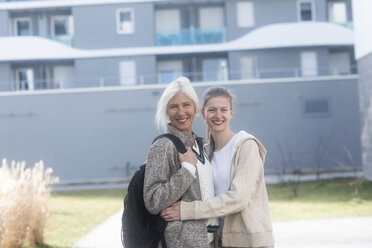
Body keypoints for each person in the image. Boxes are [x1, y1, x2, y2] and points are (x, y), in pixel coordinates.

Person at [161, 86, 275, 248]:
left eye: (224, 110)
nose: (218, 115)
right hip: (220, 239)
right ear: (203, 113)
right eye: (212, 110)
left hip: (249, 241)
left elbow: (238, 198)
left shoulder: (246, 146)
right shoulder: (206, 153)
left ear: (231, 113)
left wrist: (188, 210)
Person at [143, 77, 218, 248]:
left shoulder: (199, 144)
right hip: (181, 243)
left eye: (186, 105)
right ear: (166, 111)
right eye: (173, 106)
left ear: (195, 108)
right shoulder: (164, 145)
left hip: (209, 240)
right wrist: (187, 170)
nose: (181, 112)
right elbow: (153, 201)